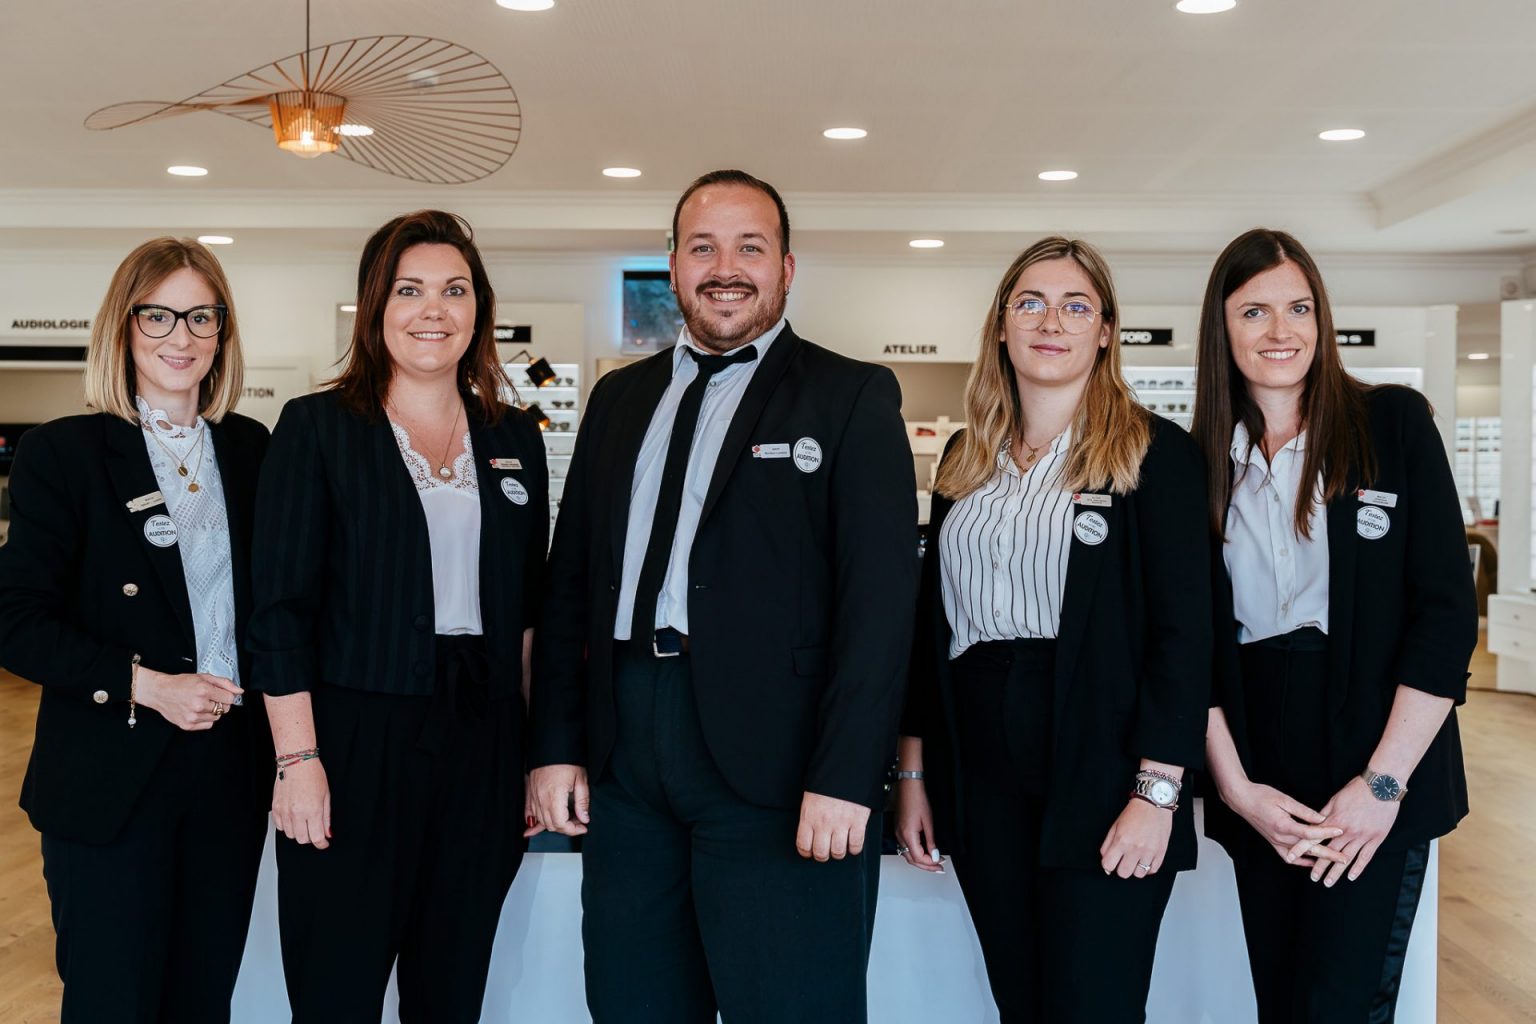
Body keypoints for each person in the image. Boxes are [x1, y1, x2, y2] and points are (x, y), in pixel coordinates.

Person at [527, 169, 918, 1023]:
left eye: (750, 246)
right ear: (671, 266)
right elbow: (569, 588)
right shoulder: (617, 400)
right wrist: (555, 746)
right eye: (703, 246)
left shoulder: (850, 395)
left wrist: (849, 775)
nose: (725, 266)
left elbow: (881, 607)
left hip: (782, 766)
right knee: (632, 1004)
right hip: (629, 757)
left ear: (786, 267)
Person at [894, 236, 1212, 1023]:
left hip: (1102, 765)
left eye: (1077, 306)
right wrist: (913, 774)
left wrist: (1157, 791)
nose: (1052, 322)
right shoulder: (966, 459)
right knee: (1019, 1001)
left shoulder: (1153, 454)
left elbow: (1185, 635)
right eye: (1030, 302)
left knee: (1092, 1005)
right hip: (980, 763)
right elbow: (931, 631)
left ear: (1106, 331)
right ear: (1001, 324)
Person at [247, 209, 548, 1023]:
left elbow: (526, 618)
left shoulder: (513, 436)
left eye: (454, 290)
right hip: (350, 739)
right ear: (375, 307)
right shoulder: (318, 429)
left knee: (451, 988)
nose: (433, 310)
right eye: (410, 289)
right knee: (336, 988)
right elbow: (276, 611)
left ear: (478, 310)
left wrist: (528, 756)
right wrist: (296, 760)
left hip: (479, 743)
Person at [1191, 228, 1476, 1023]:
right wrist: (1238, 791)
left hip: (1379, 746)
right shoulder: (1198, 463)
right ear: (1222, 329)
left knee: (1342, 1003)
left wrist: (1382, 787)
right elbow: (1192, 646)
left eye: (1299, 308)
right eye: (1254, 312)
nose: (1281, 332)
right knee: (1281, 1000)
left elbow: (1445, 616)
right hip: (1263, 761)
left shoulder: (1392, 426)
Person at [0, 238, 269, 1023]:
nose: (179, 336)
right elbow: (15, 620)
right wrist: (147, 685)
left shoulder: (253, 449)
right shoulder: (65, 453)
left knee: (203, 998)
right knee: (112, 1001)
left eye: (200, 316)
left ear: (222, 332)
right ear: (123, 327)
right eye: (157, 315)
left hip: (228, 771)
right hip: (110, 773)